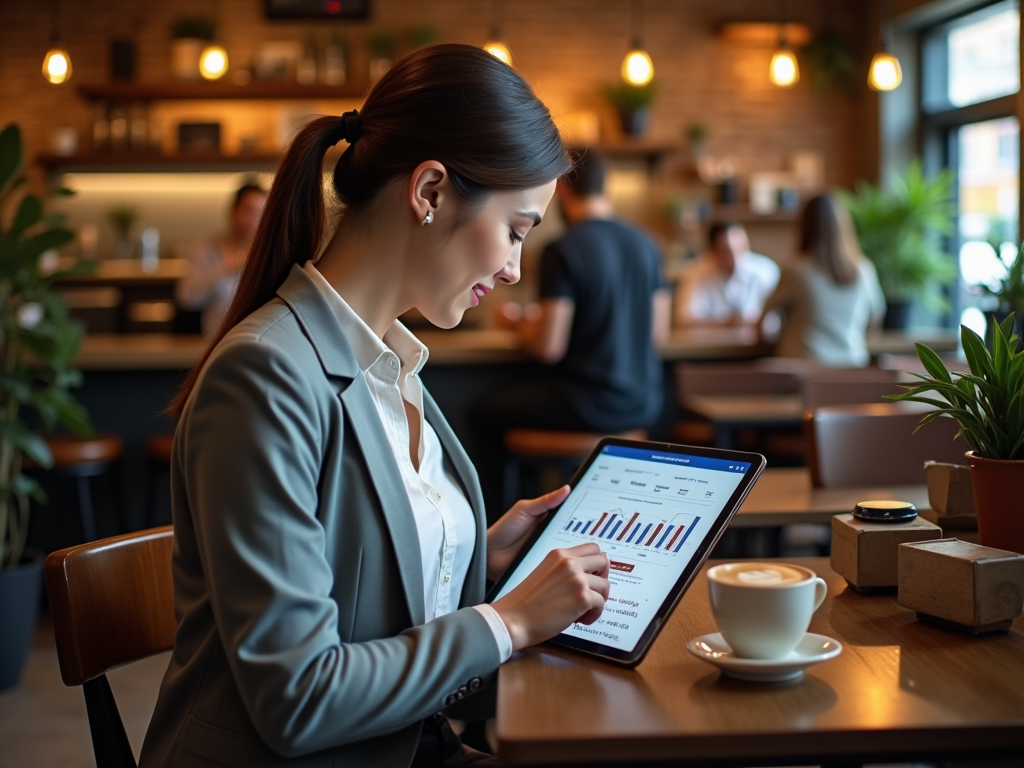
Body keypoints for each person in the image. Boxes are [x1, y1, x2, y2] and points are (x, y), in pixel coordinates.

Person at [141, 45, 611, 768]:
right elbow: (298, 697)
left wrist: (476, 559)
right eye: (515, 230)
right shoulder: (265, 375)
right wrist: (508, 620)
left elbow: (351, 584)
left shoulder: (391, 362)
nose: (516, 267)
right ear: (428, 192)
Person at [472, 148, 671, 517]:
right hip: (643, 403)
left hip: (589, 404)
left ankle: (496, 522)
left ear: (562, 188)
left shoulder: (563, 249)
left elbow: (549, 346)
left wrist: (518, 324)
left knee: (481, 413)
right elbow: (658, 333)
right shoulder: (648, 246)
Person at [760, 194, 886, 366]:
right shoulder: (864, 269)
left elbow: (764, 316)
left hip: (802, 368)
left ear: (804, 226)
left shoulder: (795, 270)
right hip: (851, 364)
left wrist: (770, 344)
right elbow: (874, 318)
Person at [175, 182, 267, 334]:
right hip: (215, 342)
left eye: (261, 213)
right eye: (249, 211)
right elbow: (186, 297)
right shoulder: (206, 249)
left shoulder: (267, 256)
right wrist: (225, 268)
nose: (254, 220)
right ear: (233, 211)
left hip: (255, 341)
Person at [675, 221, 779, 327]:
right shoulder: (695, 272)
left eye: (740, 248)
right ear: (712, 253)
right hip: (712, 342)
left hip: (758, 342)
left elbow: (777, 318)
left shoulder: (766, 270)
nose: (735, 258)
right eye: (726, 251)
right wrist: (723, 323)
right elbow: (684, 318)